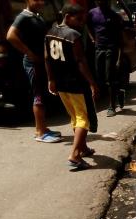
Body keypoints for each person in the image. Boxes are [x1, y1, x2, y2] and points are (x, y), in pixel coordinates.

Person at [45, 3, 100, 170]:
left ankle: (82, 147)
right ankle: (75, 155)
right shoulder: (73, 35)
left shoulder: (50, 32)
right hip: (75, 83)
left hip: (60, 83)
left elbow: (47, 58)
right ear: (68, 17)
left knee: (75, 116)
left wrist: (51, 80)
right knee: (84, 118)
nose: (82, 22)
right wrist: (92, 83)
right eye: (79, 19)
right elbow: (81, 61)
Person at [7, 0, 62, 143]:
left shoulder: (36, 16)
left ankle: (42, 127)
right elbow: (10, 36)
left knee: (42, 95)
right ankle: (40, 132)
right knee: (38, 97)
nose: (41, 2)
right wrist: (29, 53)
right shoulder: (23, 17)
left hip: (41, 62)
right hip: (33, 63)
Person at [87, 0, 123, 117]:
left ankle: (112, 106)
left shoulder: (115, 16)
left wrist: (119, 56)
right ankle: (119, 92)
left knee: (109, 78)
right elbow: (87, 25)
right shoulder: (92, 13)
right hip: (99, 48)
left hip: (111, 49)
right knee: (99, 76)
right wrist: (93, 39)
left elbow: (120, 38)